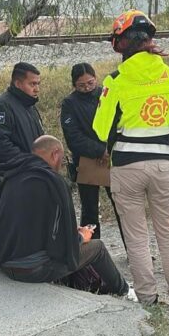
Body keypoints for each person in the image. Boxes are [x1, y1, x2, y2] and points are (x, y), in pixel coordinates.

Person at [92, 9, 169, 328]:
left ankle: (149, 304)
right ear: (150, 40)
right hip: (164, 167)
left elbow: (101, 130)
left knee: (137, 238)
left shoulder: (115, 81)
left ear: (120, 45)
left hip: (127, 169)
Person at [0, 135, 130, 296]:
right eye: (62, 161)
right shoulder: (53, 182)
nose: (60, 166)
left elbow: (27, 224)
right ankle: (124, 291)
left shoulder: (10, 177)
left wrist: (69, 230)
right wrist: (80, 237)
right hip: (32, 270)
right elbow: (62, 247)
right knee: (97, 248)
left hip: (5, 264)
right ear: (55, 154)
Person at [61, 62, 118, 240]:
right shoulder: (69, 103)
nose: (86, 88)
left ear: (96, 79)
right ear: (74, 85)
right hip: (85, 161)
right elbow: (73, 137)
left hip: (112, 158)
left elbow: (117, 124)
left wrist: (109, 150)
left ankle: (134, 251)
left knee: (122, 206)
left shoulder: (106, 95)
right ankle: (91, 252)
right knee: (89, 210)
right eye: (81, 85)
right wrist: (99, 151)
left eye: (90, 83)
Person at [0, 62, 45, 187]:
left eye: (38, 84)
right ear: (18, 84)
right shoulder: (0, 107)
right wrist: (29, 161)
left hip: (34, 173)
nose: (37, 89)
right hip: (13, 177)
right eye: (32, 84)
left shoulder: (29, 106)